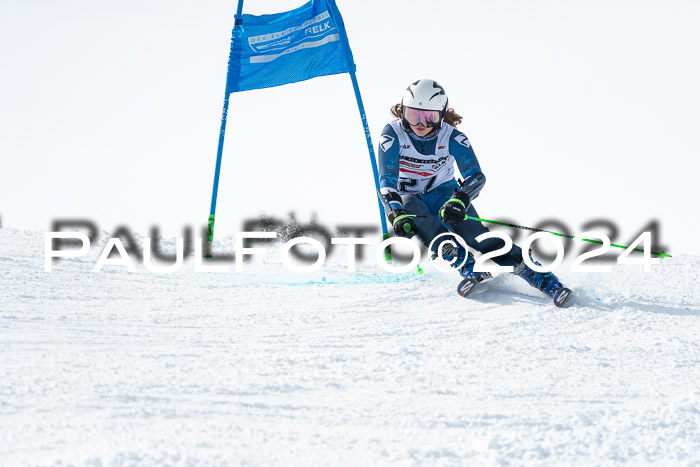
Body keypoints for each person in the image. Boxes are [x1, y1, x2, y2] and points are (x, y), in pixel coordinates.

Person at [377, 79, 571, 307]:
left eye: (429, 117)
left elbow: (476, 175)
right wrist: (395, 212)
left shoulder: (452, 137)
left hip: (444, 193)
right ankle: (466, 265)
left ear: (440, 115)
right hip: (410, 197)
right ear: (402, 111)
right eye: (413, 115)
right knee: (414, 210)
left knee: (478, 237)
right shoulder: (392, 134)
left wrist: (460, 199)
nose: (420, 124)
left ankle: (543, 278)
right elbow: (386, 181)